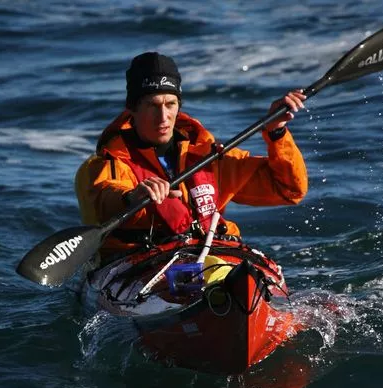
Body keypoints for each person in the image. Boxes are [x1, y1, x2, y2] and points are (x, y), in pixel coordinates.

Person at [75, 52, 307, 259]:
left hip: (211, 256)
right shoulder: (108, 164)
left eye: (170, 104)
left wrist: (276, 133)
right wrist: (132, 197)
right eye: (152, 105)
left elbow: (288, 190)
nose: (163, 116)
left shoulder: (210, 157)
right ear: (132, 109)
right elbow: (104, 200)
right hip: (142, 263)